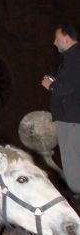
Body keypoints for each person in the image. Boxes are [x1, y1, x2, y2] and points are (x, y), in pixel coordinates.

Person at [41, 23, 80, 195]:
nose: (54, 43)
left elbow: (70, 86)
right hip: (69, 119)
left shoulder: (76, 57)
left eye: (57, 38)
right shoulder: (71, 59)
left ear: (66, 38)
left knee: (73, 164)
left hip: (71, 119)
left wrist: (51, 86)